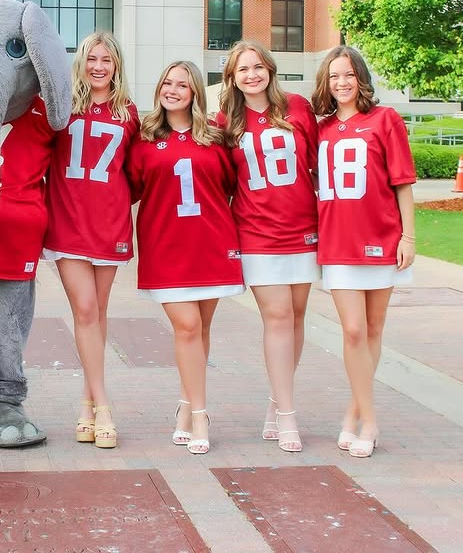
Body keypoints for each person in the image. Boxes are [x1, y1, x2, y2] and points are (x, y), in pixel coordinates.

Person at [128, 61, 243, 455]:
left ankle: (184, 406)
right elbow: (129, 189)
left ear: (194, 92)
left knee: (200, 330)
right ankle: (200, 414)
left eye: (182, 84)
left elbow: (231, 187)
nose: (172, 90)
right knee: (188, 326)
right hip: (165, 248)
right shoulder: (144, 138)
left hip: (211, 244)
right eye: (167, 83)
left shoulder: (216, 138)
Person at [311, 45, 416, 459]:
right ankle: (369, 421)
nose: (342, 82)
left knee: (373, 330)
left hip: (382, 238)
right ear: (326, 82)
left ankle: (354, 414)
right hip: (337, 242)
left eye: (349, 75)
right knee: (353, 330)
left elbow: (402, 183)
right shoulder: (320, 130)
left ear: (361, 79)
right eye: (334, 76)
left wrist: (409, 238)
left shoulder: (385, 119)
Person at [218, 41, 319, 453]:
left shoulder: (297, 107)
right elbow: (224, 182)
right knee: (277, 317)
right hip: (257, 232)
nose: (252, 75)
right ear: (232, 77)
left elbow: (315, 163)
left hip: (303, 229)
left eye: (258, 66)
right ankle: (289, 415)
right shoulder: (226, 122)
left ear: (270, 70)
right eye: (243, 69)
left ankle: (277, 402)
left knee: (296, 318)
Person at [43, 32, 138, 449]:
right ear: (80, 63)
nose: (99, 66)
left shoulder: (128, 112)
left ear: (116, 66)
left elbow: (134, 174)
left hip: (109, 224)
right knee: (84, 310)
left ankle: (86, 405)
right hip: (67, 221)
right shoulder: (61, 107)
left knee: (98, 312)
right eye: (92, 59)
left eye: (107, 60)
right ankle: (104, 406)